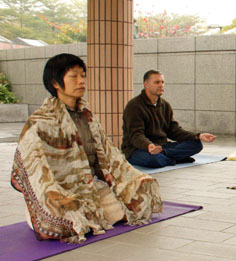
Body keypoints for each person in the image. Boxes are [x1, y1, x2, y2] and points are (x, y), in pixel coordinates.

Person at [10, 53, 162, 243]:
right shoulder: (39, 122)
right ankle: (51, 216)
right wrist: (54, 195)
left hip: (91, 187)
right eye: (74, 76)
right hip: (59, 194)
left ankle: (91, 214)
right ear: (55, 83)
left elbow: (109, 154)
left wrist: (131, 177)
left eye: (83, 75)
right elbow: (33, 168)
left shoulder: (87, 116)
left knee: (136, 201)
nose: (81, 81)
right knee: (64, 221)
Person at [121, 70, 216, 168]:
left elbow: (174, 131)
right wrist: (149, 146)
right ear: (146, 84)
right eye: (157, 82)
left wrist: (198, 136)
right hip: (138, 149)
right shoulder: (134, 106)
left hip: (162, 147)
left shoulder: (165, 105)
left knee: (196, 144)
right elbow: (136, 135)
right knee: (154, 160)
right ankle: (175, 158)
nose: (161, 85)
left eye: (162, 82)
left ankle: (166, 157)